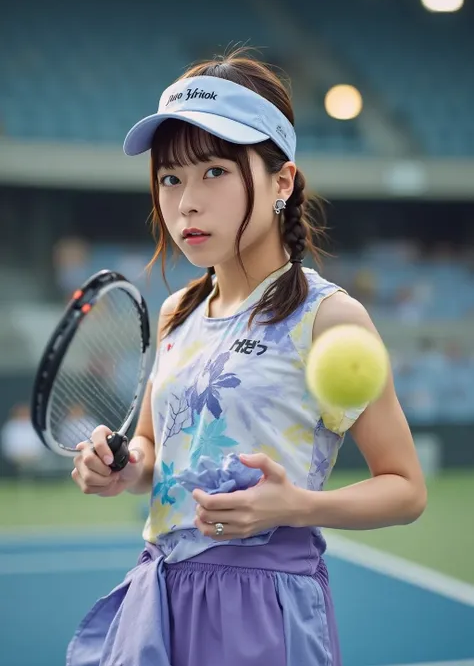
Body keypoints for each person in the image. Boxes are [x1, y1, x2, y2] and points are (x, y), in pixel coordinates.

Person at [69, 49, 427, 666]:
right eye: (170, 178)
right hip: (159, 595)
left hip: (264, 605)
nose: (185, 203)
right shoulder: (177, 309)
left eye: (214, 171)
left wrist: (300, 507)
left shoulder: (331, 317)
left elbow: (406, 489)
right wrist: (123, 467)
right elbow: (156, 454)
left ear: (281, 182)